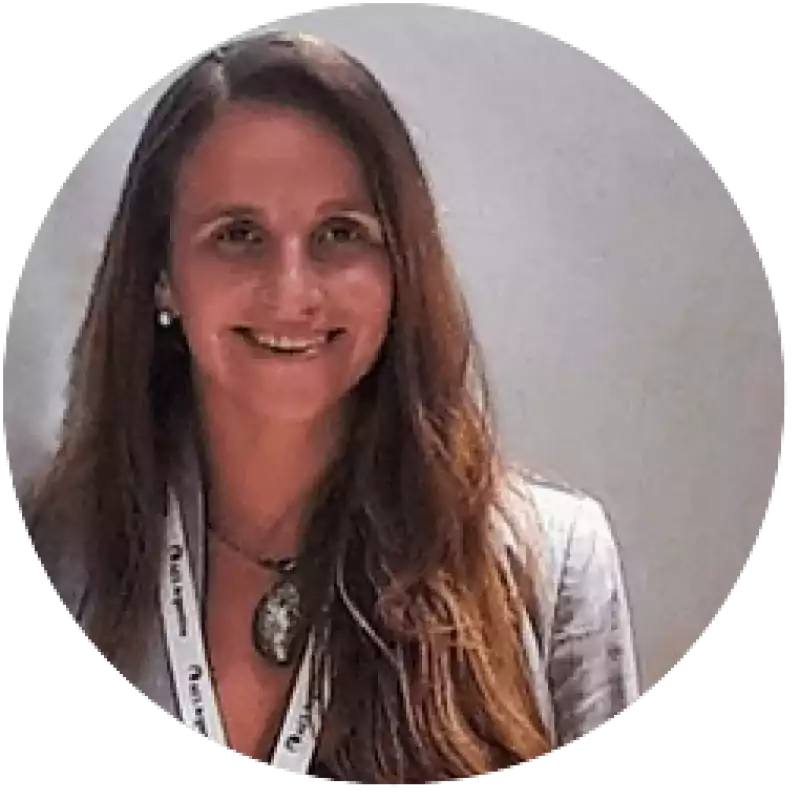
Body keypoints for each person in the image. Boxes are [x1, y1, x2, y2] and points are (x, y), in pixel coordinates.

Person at [19, 31, 640, 789]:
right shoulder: (54, 555)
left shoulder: (555, 566)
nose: (292, 293)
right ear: (162, 278)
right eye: (238, 235)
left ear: (399, 269)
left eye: (340, 234)